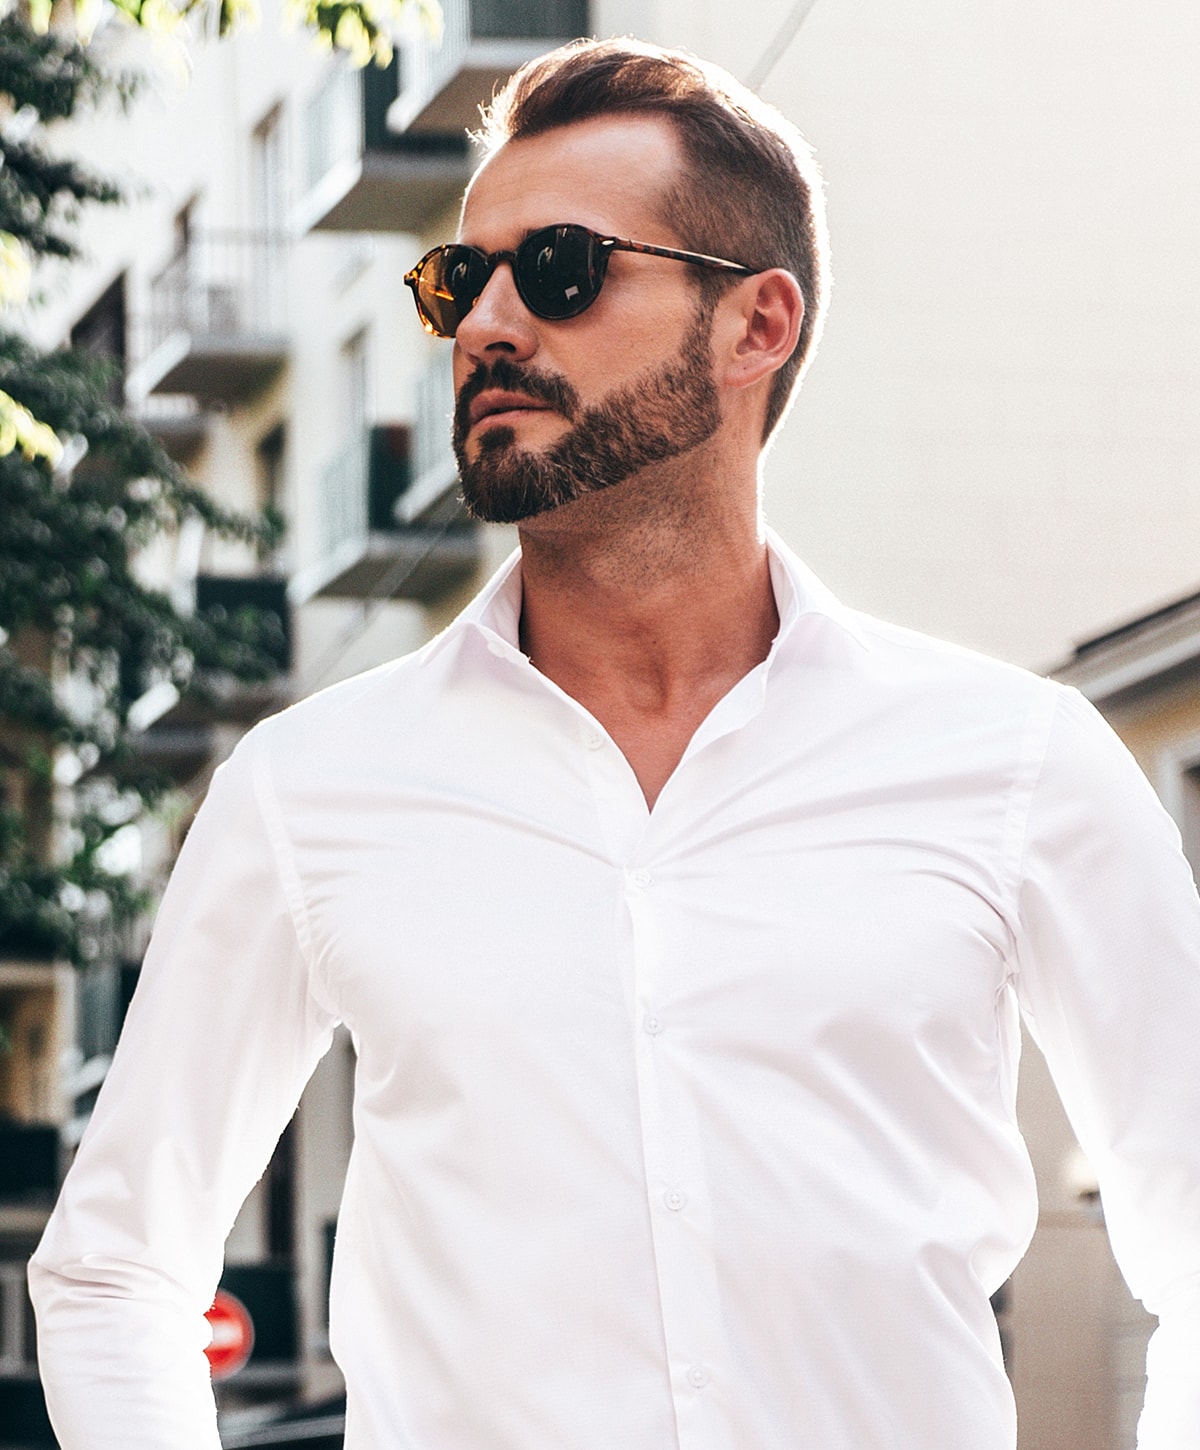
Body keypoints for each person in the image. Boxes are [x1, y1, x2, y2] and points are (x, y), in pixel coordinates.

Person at [29, 37, 1200, 1450]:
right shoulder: (308, 790)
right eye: (461, 282)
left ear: (757, 324)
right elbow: (115, 1265)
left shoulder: (1019, 765)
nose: (486, 326)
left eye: (563, 270)